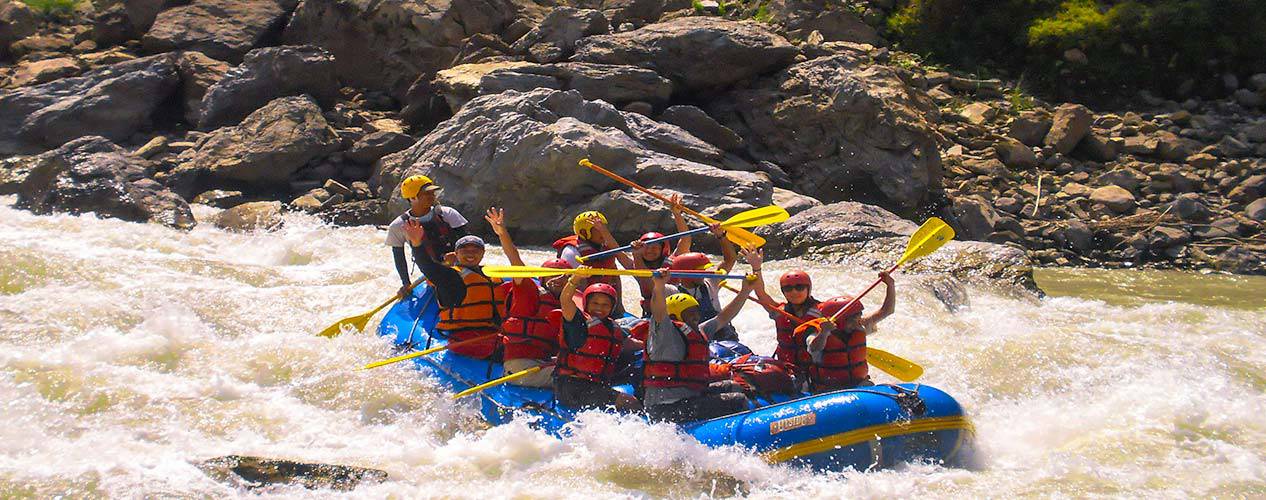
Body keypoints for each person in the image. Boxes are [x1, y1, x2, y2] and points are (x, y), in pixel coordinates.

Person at [643, 267, 755, 423]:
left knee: (735, 386)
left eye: (696, 312)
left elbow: (723, 318)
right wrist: (659, 286)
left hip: (690, 397)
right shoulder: (663, 333)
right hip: (666, 408)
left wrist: (746, 291)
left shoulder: (697, 331)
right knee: (737, 399)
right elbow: (658, 311)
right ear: (675, 316)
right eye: (690, 313)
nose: (696, 316)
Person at [486, 207, 566, 387]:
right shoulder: (529, 292)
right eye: (554, 275)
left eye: (565, 275)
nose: (560, 279)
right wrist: (502, 233)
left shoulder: (568, 302)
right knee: (575, 378)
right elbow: (516, 262)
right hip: (521, 366)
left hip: (544, 362)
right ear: (542, 279)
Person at [404, 220, 503, 359]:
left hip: (493, 332)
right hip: (463, 336)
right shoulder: (451, 276)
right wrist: (417, 244)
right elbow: (428, 267)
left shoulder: (493, 275)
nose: (471, 253)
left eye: (475, 250)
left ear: (483, 253)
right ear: (456, 253)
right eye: (465, 250)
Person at [554, 271, 643, 411]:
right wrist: (575, 279)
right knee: (630, 402)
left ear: (612, 307)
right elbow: (565, 301)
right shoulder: (578, 322)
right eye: (595, 303)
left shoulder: (613, 327)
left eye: (605, 305)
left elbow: (630, 344)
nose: (599, 308)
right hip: (572, 386)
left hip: (595, 384)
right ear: (586, 304)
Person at [793, 272, 897, 393]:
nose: (859, 320)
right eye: (855, 317)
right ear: (841, 320)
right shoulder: (817, 332)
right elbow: (814, 348)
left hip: (859, 385)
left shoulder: (859, 326)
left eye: (859, 315)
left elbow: (887, 311)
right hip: (828, 390)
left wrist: (890, 285)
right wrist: (824, 333)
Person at [385, 175, 469, 298]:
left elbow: (468, 241)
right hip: (432, 271)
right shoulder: (398, 225)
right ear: (412, 197)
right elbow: (399, 257)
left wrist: (458, 255)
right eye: (427, 193)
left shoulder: (447, 214)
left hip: (461, 266)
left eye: (432, 192)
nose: (432, 196)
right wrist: (406, 283)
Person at [616, 194, 692, 317]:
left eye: (655, 247)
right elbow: (616, 251)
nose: (650, 250)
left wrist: (677, 215)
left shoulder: (673, 262)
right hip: (651, 315)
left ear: (663, 249)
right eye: (647, 247)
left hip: (676, 312)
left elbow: (686, 239)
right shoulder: (635, 264)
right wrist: (601, 229)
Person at [665, 233, 749, 342]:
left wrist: (721, 236)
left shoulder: (710, 282)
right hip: (695, 339)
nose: (705, 273)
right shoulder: (672, 292)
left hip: (722, 334)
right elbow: (649, 286)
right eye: (700, 270)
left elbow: (730, 260)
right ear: (686, 273)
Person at [752, 269, 824, 367]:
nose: (794, 292)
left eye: (799, 287)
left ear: (808, 289)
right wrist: (756, 268)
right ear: (783, 292)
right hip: (786, 367)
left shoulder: (822, 311)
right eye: (788, 288)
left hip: (814, 367)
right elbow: (760, 293)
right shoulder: (779, 311)